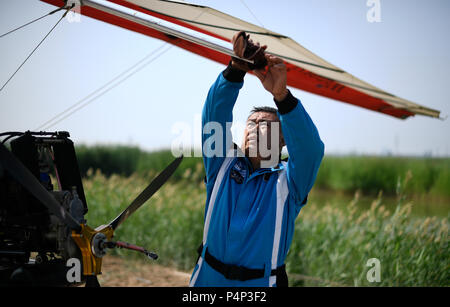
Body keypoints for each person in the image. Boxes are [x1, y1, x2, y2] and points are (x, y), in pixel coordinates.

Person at [189, 32, 324, 287]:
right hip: (207, 280)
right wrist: (236, 69)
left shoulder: (290, 183)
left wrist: (282, 97)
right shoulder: (222, 164)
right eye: (251, 123)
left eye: (264, 125)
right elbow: (213, 118)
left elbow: (310, 150)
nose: (254, 128)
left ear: (284, 140)